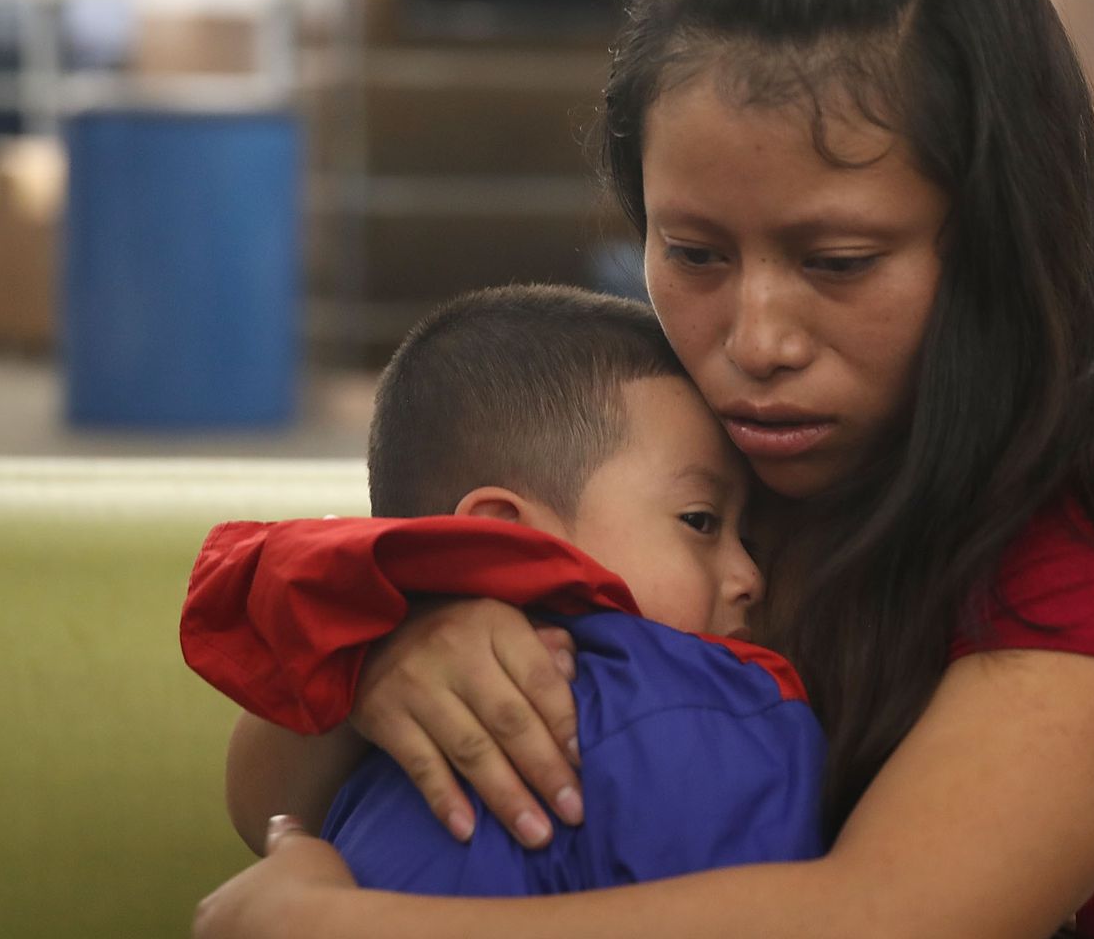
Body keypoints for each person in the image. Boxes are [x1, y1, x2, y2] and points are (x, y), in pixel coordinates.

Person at [199, 0, 1094, 937]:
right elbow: (267, 803)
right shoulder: (687, 440)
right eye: (693, 253)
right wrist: (395, 660)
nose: (756, 343)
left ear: (997, 236)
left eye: (838, 262)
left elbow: (897, 917)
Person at [180, 284, 825, 894]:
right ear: (501, 534)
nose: (750, 577)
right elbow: (265, 806)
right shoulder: (704, 716)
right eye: (700, 522)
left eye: (751, 541)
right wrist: (368, 662)